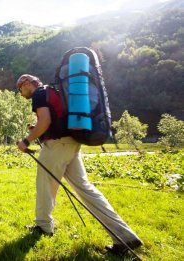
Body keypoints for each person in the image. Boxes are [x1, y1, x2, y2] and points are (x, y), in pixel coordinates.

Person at [15, 74, 143, 255]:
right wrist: (37, 130)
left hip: (57, 146)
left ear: (27, 84)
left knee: (45, 186)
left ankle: (43, 227)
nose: (21, 94)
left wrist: (26, 141)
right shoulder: (56, 91)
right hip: (72, 143)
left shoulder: (39, 94)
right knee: (85, 189)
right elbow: (53, 120)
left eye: (20, 89)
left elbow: (45, 121)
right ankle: (125, 236)